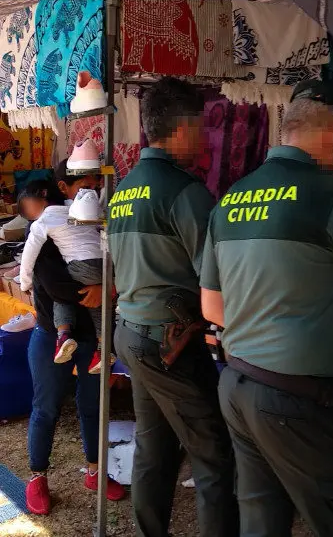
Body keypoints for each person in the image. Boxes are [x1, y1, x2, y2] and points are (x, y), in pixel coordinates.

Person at [200, 79, 333, 536]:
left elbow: (212, 306)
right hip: (299, 399)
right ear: (332, 133)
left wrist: (267, 321)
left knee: (262, 522)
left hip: (237, 384)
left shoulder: (230, 199)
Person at [107, 77, 238, 537]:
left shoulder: (123, 190)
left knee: (155, 448)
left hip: (132, 335)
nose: (204, 139)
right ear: (182, 129)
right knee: (215, 454)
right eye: (200, 127)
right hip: (171, 345)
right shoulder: (186, 192)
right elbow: (217, 278)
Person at [24, 168, 126, 515]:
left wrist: (109, 284)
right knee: (46, 407)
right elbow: (56, 287)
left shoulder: (96, 223)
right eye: (85, 184)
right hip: (52, 335)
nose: (93, 190)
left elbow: (118, 261)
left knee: (94, 405)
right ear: (63, 188)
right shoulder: (47, 230)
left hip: (93, 338)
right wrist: (100, 288)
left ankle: (95, 472)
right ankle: (37, 476)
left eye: (97, 184)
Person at [17, 181, 105, 372]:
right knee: (98, 306)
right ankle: (103, 349)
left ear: (43, 193)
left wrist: (24, 283)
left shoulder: (42, 222)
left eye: (25, 207)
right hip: (105, 265)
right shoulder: (76, 210)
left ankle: (64, 335)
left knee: (61, 294)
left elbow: (28, 257)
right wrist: (107, 285)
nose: (26, 214)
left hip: (82, 266)